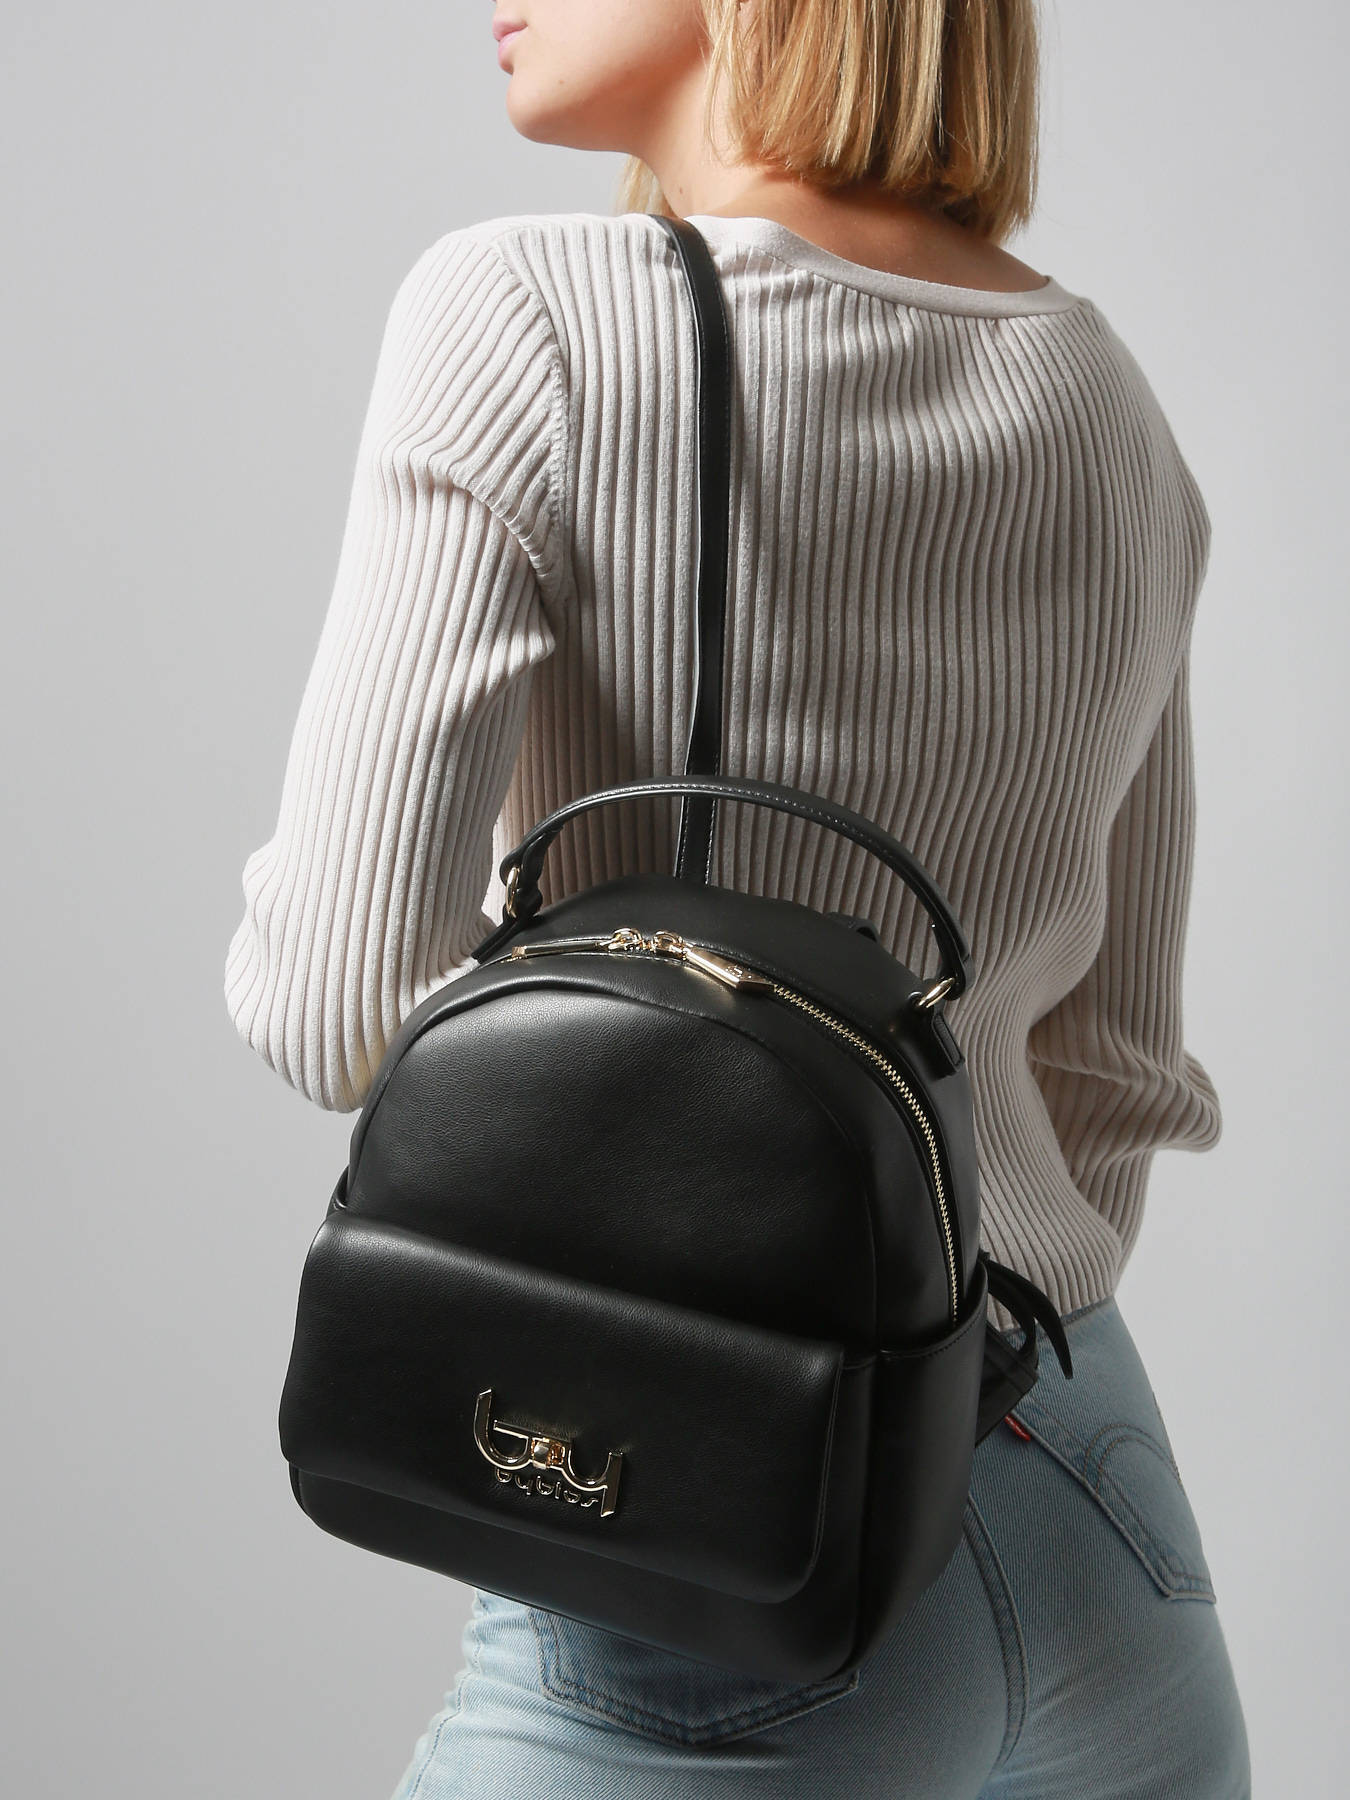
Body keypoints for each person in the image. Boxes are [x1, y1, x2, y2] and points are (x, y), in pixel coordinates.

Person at [223, 1, 1253, 1793]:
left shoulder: (529, 310)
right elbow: (1112, 1067)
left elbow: (333, 1007)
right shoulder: (1109, 400)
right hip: (1093, 1506)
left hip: (734, 1549)